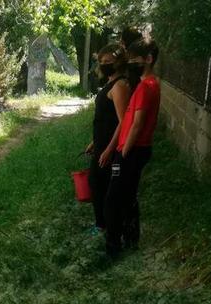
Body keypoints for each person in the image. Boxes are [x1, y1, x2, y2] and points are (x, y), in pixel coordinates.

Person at [100, 38, 160, 257]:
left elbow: (137, 123)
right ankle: (131, 239)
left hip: (132, 150)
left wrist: (123, 153)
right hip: (137, 149)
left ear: (149, 59)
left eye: (135, 60)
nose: (131, 64)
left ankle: (113, 247)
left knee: (112, 200)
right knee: (128, 196)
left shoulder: (146, 87)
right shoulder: (152, 83)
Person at [85, 44, 131, 232]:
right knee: (96, 183)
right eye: (101, 61)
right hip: (101, 144)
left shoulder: (120, 86)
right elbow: (106, 118)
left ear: (119, 63)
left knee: (101, 186)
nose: (103, 65)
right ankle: (102, 225)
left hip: (109, 148)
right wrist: (95, 142)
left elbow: (123, 122)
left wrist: (109, 149)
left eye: (108, 62)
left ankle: (104, 227)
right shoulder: (111, 83)